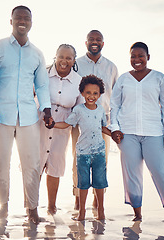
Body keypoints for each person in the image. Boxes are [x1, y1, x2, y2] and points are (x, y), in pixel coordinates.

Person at [0, 5, 52, 224]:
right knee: (0, 162)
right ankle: (2, 207)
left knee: (32, 163)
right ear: (11, 21)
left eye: (27, 18)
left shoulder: (37, 53)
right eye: (18, 17)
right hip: (1, 116)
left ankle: (32, 209)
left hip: (29, 116)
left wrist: (47, 110)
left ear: (31, 23)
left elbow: (41, 86)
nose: (22, 21)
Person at [110, 42, 164, 227]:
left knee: (161, 172)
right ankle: (137, 214)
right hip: (127, 134)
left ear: (148, 57)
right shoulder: (124, 80)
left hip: (154, 133)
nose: (137, 60)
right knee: (132, 174)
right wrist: (115, 128)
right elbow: (114, 106)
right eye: (133, 56)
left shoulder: (159, 78)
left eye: (140, 56)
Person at [47, 75, 111, 221]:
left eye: (95, 93)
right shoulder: (78, 110)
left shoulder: (100, 110)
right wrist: (53, 124)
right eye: (88, 93)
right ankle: (82, 212)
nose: (91, 96)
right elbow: (67, 123)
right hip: (83, 153)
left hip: (99, 152)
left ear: (100, 94)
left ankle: (101, 211)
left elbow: (102, 127)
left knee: (100, 183)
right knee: (82, 184)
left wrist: (114, 134)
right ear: (82, 93)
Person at [72, 30, 119, 210]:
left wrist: (114, 125)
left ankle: (97, 200)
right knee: (78, 159)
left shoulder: (111, 67)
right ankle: (78, 197)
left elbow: (115, 98)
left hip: (103, 121)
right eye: (91, 39)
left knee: (102, 160)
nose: (94, 42)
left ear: (103, 43)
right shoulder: (76, 64)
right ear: (86, 43)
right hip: (80, 120)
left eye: (98, 39)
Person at [39, 44, 83, 214]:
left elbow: (78, 110)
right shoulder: (43, 73)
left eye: (68, 58)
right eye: (61, 57)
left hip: (62, 125)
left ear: (73, 60)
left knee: (55, 165)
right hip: (40, 121)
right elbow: (32, 93)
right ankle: (32, 206)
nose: (64, 61)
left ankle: (51, 206)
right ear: (55, 57)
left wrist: (63, 123)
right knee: (36, 163)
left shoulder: (78, 81)